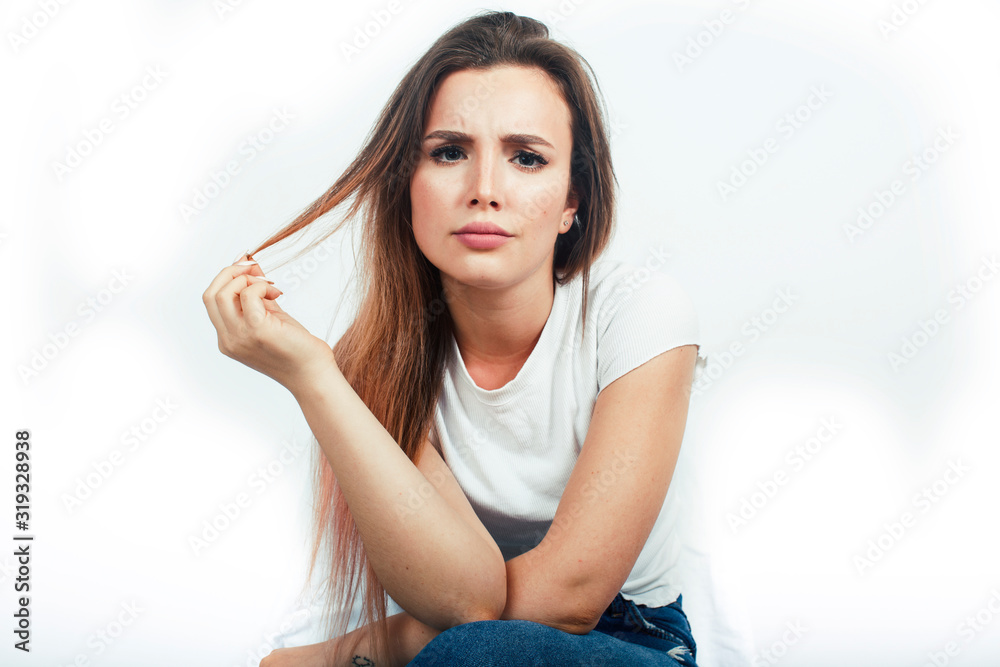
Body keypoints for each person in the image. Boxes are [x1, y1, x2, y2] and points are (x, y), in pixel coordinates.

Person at [202, 10, 703, 666]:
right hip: (462, 637)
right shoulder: (378, 357)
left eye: (526, 157)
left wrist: (346, 654)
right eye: (448, 152)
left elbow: (571, 595)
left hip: (633, 638)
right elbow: (466, 598)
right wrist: (314, 376)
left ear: (572, 200)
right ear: (406, 184)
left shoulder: (639, 311)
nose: (484, 190)